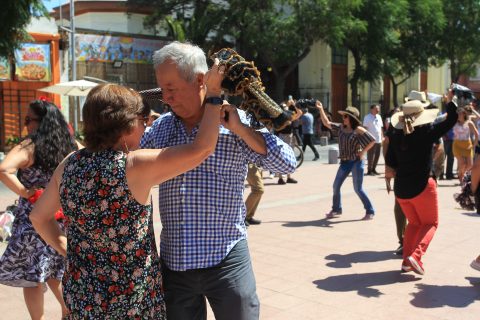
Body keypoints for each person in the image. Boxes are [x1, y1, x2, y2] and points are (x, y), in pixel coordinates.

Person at [30, 61, 224, 319]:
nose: (146, 128)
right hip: (131, 297)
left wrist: (67, 248)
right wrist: (213, 96)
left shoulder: (70, 163)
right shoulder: (133, 165)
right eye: (143, 121)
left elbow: (38, 217)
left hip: (83, 294)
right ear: (127, 124)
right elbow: (202, 149)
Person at [141, 41, 296, 320]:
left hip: (226, 261)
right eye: (162, 89)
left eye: (172, 88)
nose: (166, 97)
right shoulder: (160, 129)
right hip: (175, 264)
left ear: (201, 80)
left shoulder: (233, 122)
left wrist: (241, 129)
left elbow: (286, 162)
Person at [0, 99, 77, 319]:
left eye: (28, 120)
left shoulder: (30, 145)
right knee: (56, 271)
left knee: (31, 276)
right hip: (62, 218)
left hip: (33, 220)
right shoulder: (69, 144)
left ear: (40, 122)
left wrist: (26, 192)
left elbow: (4, 169)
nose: (26, 125)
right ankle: (67, 311)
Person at [386, 90, 457, 275]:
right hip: (422, 187)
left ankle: (406, 261)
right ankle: (415, 257)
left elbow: (390, 162)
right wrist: (450, 101)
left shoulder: (395, 135)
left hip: (401, 190)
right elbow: (451, 120)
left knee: (415, 224)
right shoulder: (426, 132)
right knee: (431, 223)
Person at [317, 102, 376, 220]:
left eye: (345, 116)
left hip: (356, 162)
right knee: (336, 186)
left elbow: (372, 140)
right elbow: (326, 123)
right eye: (343, 116)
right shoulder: (340, 128)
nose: (343, 118)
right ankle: (336, 209)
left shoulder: (358, 129)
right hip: (344, 162)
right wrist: (321, 109)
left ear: (351, 118)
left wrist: (363, 152)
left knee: (357, 189)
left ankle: (370, 210)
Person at [383, 108, 407, 255]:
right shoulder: (393, 129)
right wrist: (387, 167)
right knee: (400, 207)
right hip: (401, 172)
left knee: (403, 208)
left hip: (410, 172)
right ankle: (404, 240)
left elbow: (438, 147)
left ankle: (406, 240)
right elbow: (386, 143)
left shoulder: (421, 125)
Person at [276, 99, 302, 184]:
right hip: (281, 137)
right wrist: (284, 125)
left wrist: (294, 105)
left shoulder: (290, 115)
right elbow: (276, 129)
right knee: (281, 157)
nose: (286, 107)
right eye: (284, 107)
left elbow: (300, 113)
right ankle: (280, 178)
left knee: (290, 156)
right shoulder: (279, 117)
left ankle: (289, 177)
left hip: (290, 136)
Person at [452, 107, 478, 183]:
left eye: (460, 114)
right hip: (457, 144)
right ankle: (461, 178)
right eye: (457, 114)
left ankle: (461, 174)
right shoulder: (454, 122)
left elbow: (477, 135)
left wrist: (474, 146)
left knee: (470, 165)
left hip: (467, 144)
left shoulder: (469, 123)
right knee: (462, 163)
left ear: (464, 114)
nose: (458, 115)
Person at [363, 104, 383, 175]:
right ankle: (369, 170)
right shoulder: (367, 117)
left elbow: (380, 128)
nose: (378, 110)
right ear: (371, 109)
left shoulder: (379, 117)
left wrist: (382, 137)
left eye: (378, 109)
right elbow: (365, 128)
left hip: (379, 139)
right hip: (371, 140)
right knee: (371, 155)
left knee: (377, 155)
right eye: (376, 109)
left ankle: (374, 169)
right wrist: (365, 139)